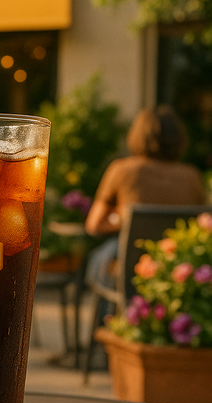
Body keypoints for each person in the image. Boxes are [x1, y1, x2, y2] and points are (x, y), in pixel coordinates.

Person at [84, 105, 207, 294]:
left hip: (131, 268)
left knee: (102, 259)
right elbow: (203, 225)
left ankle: (109, 313)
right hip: (177, 270)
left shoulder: (122, 170)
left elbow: (94, 225)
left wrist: (122, 220)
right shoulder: (192, 177)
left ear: (137, 135)